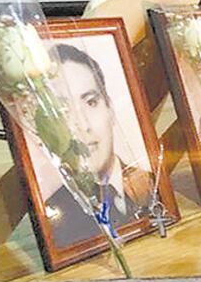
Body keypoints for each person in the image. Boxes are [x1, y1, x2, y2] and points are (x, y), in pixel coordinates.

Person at [45, 44, 153, 249]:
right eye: (63, 109)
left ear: (110, 109)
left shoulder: (154, 185)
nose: (82, 125)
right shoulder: (55, 220)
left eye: (91, 102)